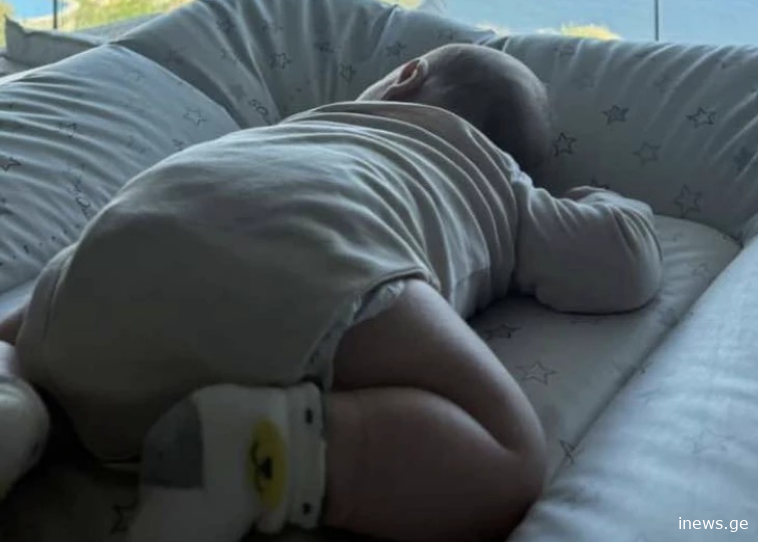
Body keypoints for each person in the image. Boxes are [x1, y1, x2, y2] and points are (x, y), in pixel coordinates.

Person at [0, 44, 663, 542]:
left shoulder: (297, 127)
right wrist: (600, 200)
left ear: (405, 75)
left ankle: (15, 391)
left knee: (57, 318)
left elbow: (195, 211)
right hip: (319, 256)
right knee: (509, 458)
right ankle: (258, 448)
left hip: (116, 253)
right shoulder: (503, 185)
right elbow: (624, 263)